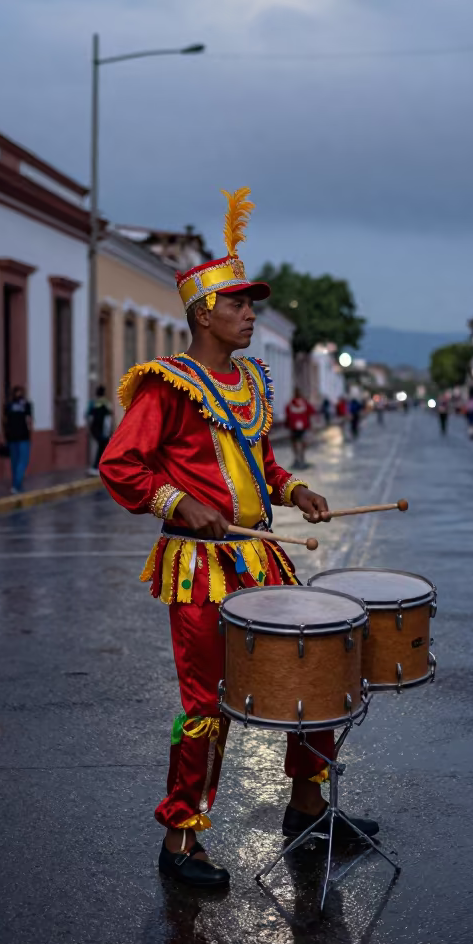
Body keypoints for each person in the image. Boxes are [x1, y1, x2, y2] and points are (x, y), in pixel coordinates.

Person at [99, 188, 378, 889]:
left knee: (310, 670)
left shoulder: (249, 382)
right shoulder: (166, 387)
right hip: (198, 567)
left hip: (259, 554)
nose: (250, 315)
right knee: (205, 706)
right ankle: (180, 838)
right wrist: (177, 502)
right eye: (238, 305)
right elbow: (119, 464)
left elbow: (262, 462)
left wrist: (296, 490)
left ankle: (308, 808)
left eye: (252, 305)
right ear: (203, 314)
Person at [3, 385, 33, 493]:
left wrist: (5, 435)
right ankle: (17, 485)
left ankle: (15, 485)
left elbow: (5, 421)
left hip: (11, 437)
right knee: (23, 461)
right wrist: (30, 432)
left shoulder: (8, 406)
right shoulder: (27, 405)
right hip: (23, 437)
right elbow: (29, 420)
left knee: (14, 463)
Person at [285, 387, 314, 470]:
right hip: (302, 427)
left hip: (295, 427)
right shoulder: (304, 403)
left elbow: (287, 415)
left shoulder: (291, 404)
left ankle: (298, 460)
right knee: (302, 444)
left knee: (296, 444)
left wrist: (287, 425)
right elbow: (311, 413)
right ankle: (301, 460)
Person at [86, 385, 113, 473]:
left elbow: (87, 415)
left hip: (94, 428)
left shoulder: (93, 403)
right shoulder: (106, 403)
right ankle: (96, 466)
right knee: (102, 445)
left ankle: (96, 466)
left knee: (101, 445)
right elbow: (109, 416)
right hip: (102, 429)